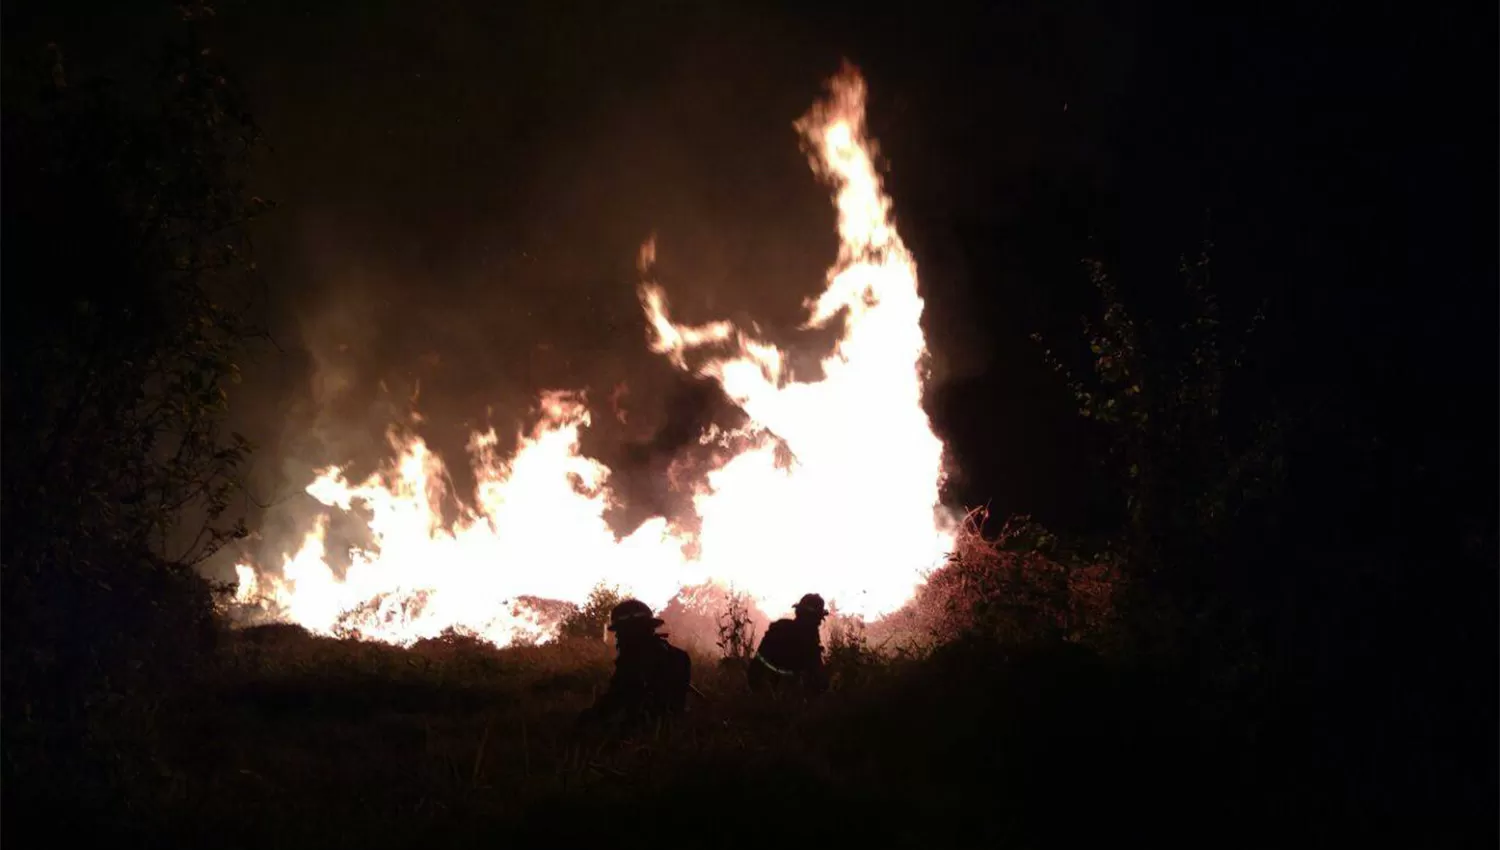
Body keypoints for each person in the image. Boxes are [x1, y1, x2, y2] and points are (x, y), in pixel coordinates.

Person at [579, 599, 691, 737]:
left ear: (627, 633)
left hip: (643, 735)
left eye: (619, 633)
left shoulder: (632, 661)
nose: (618, 639)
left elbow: (614, 702)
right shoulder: (678, 656)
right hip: (674, 733)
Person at [748, 593, 829, 696]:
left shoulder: (779, 629)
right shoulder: (805, 640)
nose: (818, 624)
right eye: (817, 620)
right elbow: (818, 676)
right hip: (772, 693)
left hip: (765, 691)